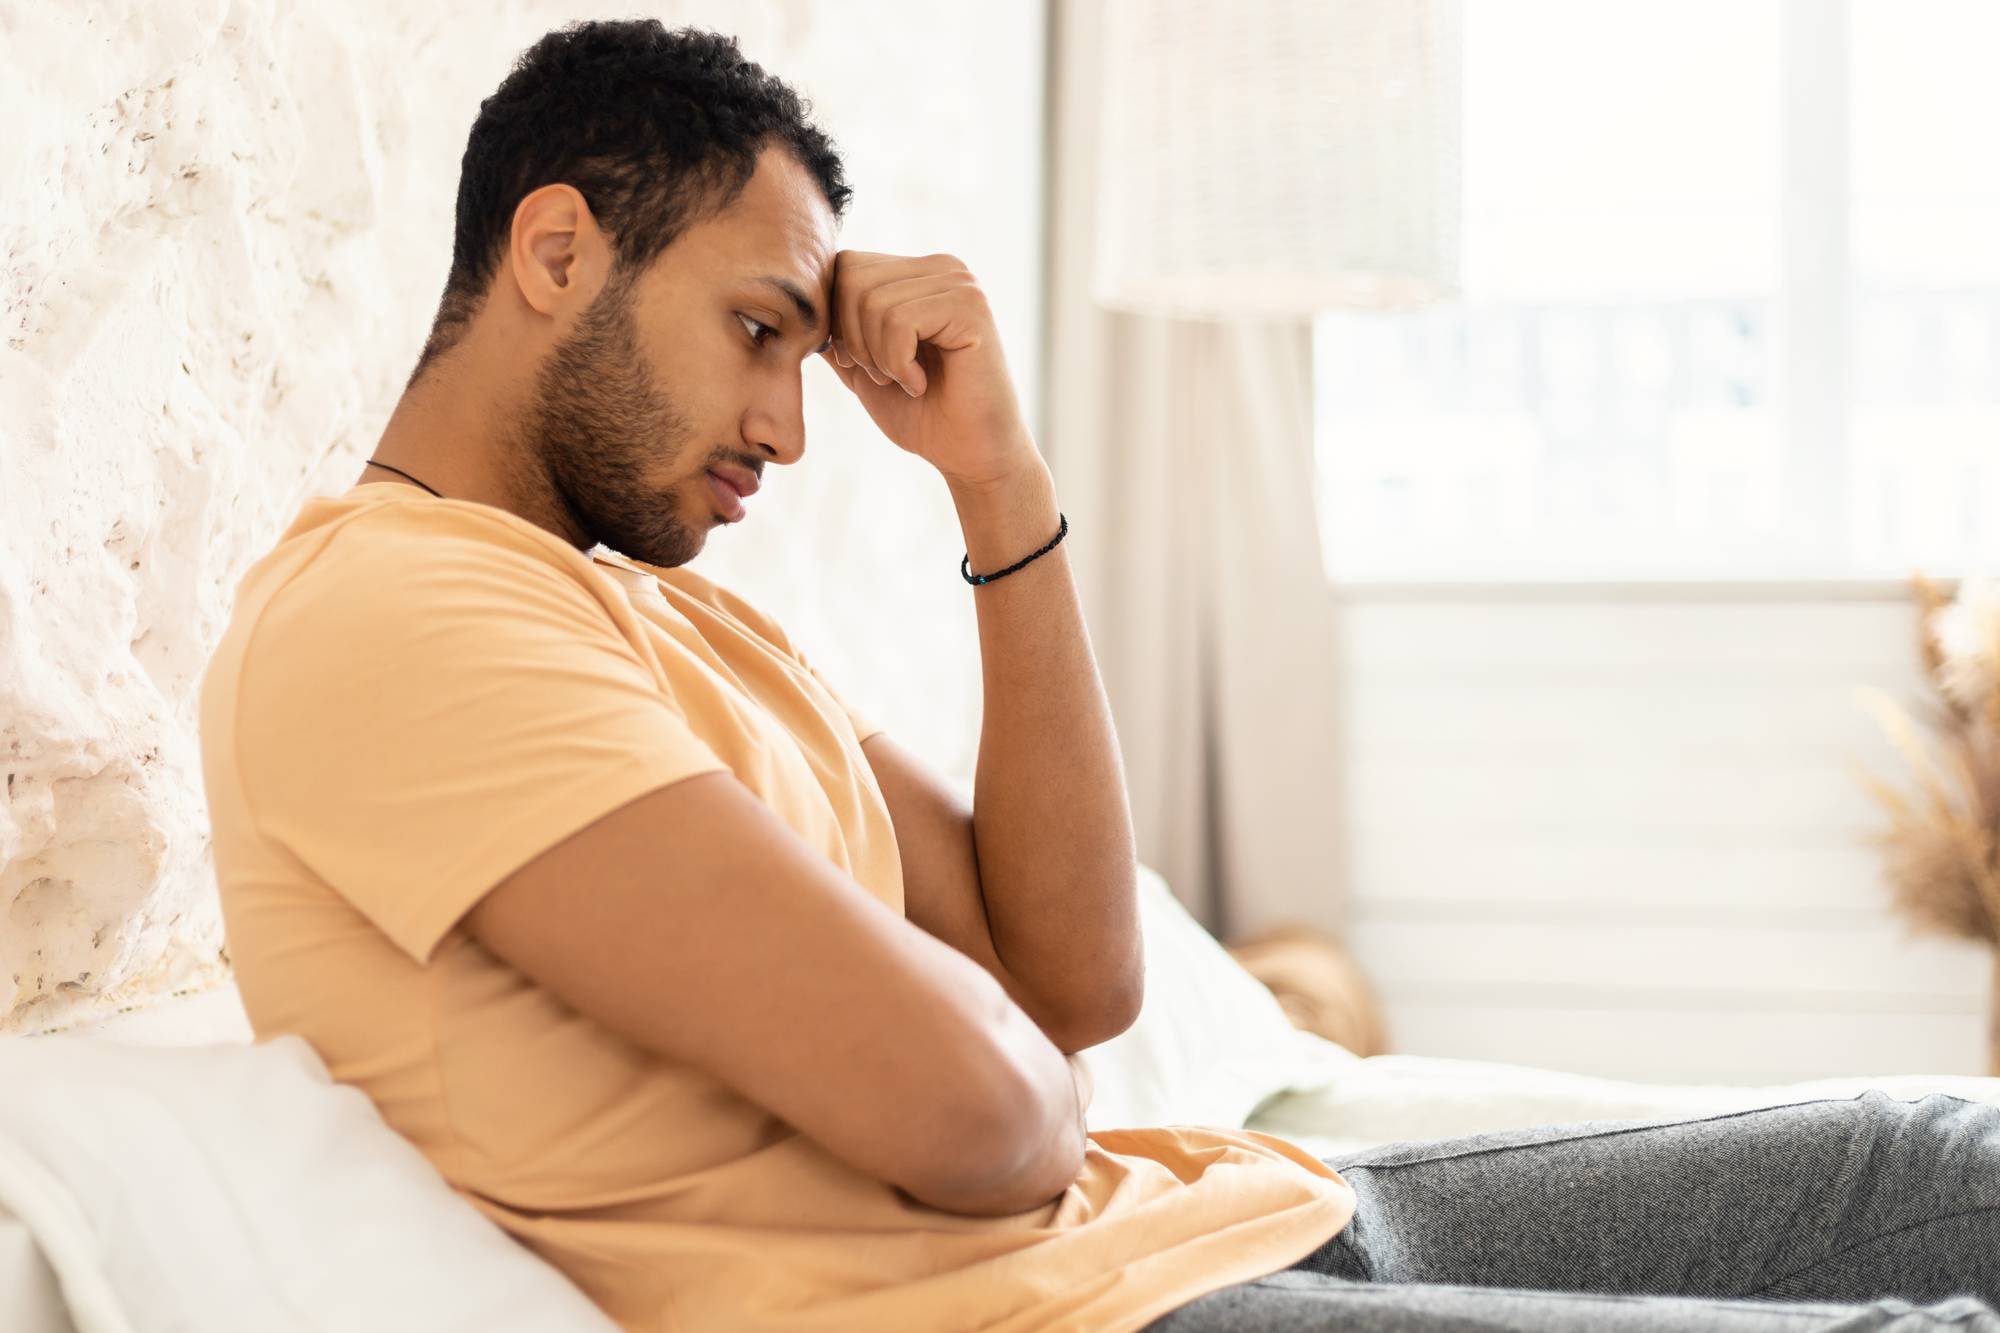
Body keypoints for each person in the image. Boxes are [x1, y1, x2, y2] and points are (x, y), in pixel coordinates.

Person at [197, 20, 2000, 1333]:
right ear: (555, 247)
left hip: (1202, 1217)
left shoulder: (671, 620)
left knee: (1939, 1156)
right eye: (760, 330)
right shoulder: (394, 615)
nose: (788, 426)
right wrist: (992, 1077)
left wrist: (1004, 487)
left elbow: (1074, 976)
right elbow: (982, 1111)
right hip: (1056, 1321)